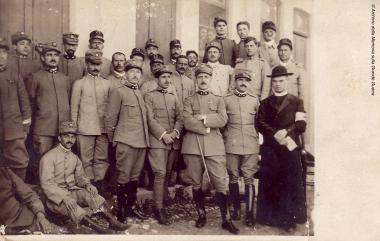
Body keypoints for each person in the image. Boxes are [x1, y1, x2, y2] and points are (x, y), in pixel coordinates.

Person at [40, 121, 129, 234]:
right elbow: (47, 184)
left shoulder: (74, 158)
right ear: (59, 138)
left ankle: (112, 221)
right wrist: (64, 197)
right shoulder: (48, 157)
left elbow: (81, 177)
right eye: (66, 136)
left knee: (91, 195)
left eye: (73, 137)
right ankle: (99, 229)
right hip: (55, 199)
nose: (70, 140)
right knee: (72, 207)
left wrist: (88, 185)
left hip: (72, 192)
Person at [181, 64, 238, 234]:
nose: (203, 80)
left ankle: (226, 219)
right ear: (196, 80)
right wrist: (206, 127)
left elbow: (222, 120)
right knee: (196, 183)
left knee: (221, 183)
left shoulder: (220, 99)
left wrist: (204, 117)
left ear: (211, 79)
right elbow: (187, 121)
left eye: (206, 77)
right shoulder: (188, 100)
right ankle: (201, 214)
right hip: (193, 146)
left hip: (214, 147)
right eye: (200, 77)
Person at [256, 65, 307, 232]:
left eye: (281, 81)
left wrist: (287, 132)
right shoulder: (264, 103)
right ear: (271, 83)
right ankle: (270, 217)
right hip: (271, 148)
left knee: (289, 182)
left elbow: (301, 124)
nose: (278, 84)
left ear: (287, 81)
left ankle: (289, 219)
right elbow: (260, 123)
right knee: (271, 181)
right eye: (275, 81)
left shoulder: (297, 101)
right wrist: (275, 134)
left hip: (290, 148)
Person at [104, 59, 150, 222]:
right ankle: (121, 211)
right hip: (125, 142)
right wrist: (114, 141)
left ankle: (130, 208)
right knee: (123, 177)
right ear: (126, 73)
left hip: (141, 142)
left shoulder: (139, 93)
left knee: (134, 178)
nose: (135, 75)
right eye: (132, 71)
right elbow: (110, 118)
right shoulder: (119, 91)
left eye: (138, 72)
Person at [27, 42, 71, 183]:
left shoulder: (65, 79)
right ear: (43, 58)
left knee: (59, 164)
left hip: (61, 130)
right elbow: (30, 103)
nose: (53, 58)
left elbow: (68, 100)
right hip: (43, 129)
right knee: (41, 163)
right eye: (49, 55)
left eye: (56, 55)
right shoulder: (35, 77)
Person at [145, 65, 183, 225]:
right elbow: (150, 119)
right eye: (163, 77)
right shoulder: (149, 96)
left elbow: (180, 117)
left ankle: (163, 201)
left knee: (167, 173)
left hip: (172, 142)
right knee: (160, 173)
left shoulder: (174, 97)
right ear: (157, 79)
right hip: (157, 141)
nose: (167, 80)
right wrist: (163, 135)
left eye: (169, 77)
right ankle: (158, 208)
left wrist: (174, 133)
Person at [71, 49, 111, 197]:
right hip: (85, 128)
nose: (95, 67)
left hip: (103, 129)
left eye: (98, 64)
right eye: (92, 64)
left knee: (101, 158)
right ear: (86, 64)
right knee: (85, 160)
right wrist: (74, 130)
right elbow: (74, 109)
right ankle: (89, 187)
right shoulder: (79, 84)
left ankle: (99, 185)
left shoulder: (107, 84)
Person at [224, 68, 260, 227]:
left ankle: (250, 213)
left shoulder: (254, 100)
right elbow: (221, 122)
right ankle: (236, 209)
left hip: (251, 143)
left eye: (246, 80)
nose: (243, 83)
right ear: (235, 82)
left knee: (249, 177)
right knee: (232, 176)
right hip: (231, 143)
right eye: (240, 80)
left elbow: (259, 122)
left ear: (249, 83)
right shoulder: (227, 100)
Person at [0, 37, 31, 180]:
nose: (1, 56)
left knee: (19, 162)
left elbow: (24, 100)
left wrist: (25, 125)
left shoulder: (14, 75)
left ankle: (20, 195)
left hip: (13, 128)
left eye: (4, 52)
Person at [0, 168, 57, 234]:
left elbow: (29, 195)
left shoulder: (5, 171)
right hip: (4, 228)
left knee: (55, 234)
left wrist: (41, 216)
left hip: (22, 220)